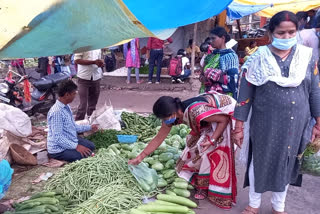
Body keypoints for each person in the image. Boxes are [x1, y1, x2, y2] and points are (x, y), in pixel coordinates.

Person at [233, 11, 320, 214]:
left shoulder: (307, 58)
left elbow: (315, 90)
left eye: (291, 32)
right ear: (271, 33)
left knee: (288, 161)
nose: (287, 37)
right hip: (265, 121)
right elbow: (244, 95)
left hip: (297, 122)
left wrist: (318, 122)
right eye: (281, 33)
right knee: (260, 160)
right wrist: (239, 126)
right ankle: (254, 204)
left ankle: (278, 206)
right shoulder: (257, 59)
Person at [128, 93, 237, 209]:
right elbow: (158, 138)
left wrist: (212, 139)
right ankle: (203, 181)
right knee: (193, 147)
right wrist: (140, 157)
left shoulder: (196, 111)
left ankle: (212, 188)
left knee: (214, 152)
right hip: (210, 117)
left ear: (173, 113)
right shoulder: (173, 116)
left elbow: (224, 119)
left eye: (164, 119)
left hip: (225, 113)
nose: (164, 122)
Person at [47, 80, 99, 162]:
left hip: (70, 139)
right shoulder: (56, 112)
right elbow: (58, 137)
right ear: (67, 95)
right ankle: (56, 156)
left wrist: (89, 127)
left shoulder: (66, 107)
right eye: (74, 93)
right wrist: (76, 146)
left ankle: (74, 147)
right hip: (59, 149)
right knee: (85, 155)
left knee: (91, 146)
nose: (75, 96)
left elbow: (73, 126)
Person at [200, 27, 239, 98]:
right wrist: (203, 78)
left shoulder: (230, 56)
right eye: (210, 39)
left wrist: (215, 77)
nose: (211, 41)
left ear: (223, 38)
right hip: (206, 93)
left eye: (213, 38)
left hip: (223, 96)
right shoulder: (210, 56)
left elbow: (233, 79)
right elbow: (202, 74)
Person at [74, 49, 104, 120]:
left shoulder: (98, 47)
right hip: (84, 78)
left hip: (96, 77)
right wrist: (93, 62)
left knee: (93, 105)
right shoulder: (82, 45)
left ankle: (90, 123)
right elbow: (77, 60)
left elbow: (99, 60)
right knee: (83, 105)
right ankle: (77, 126)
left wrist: (101, 63)